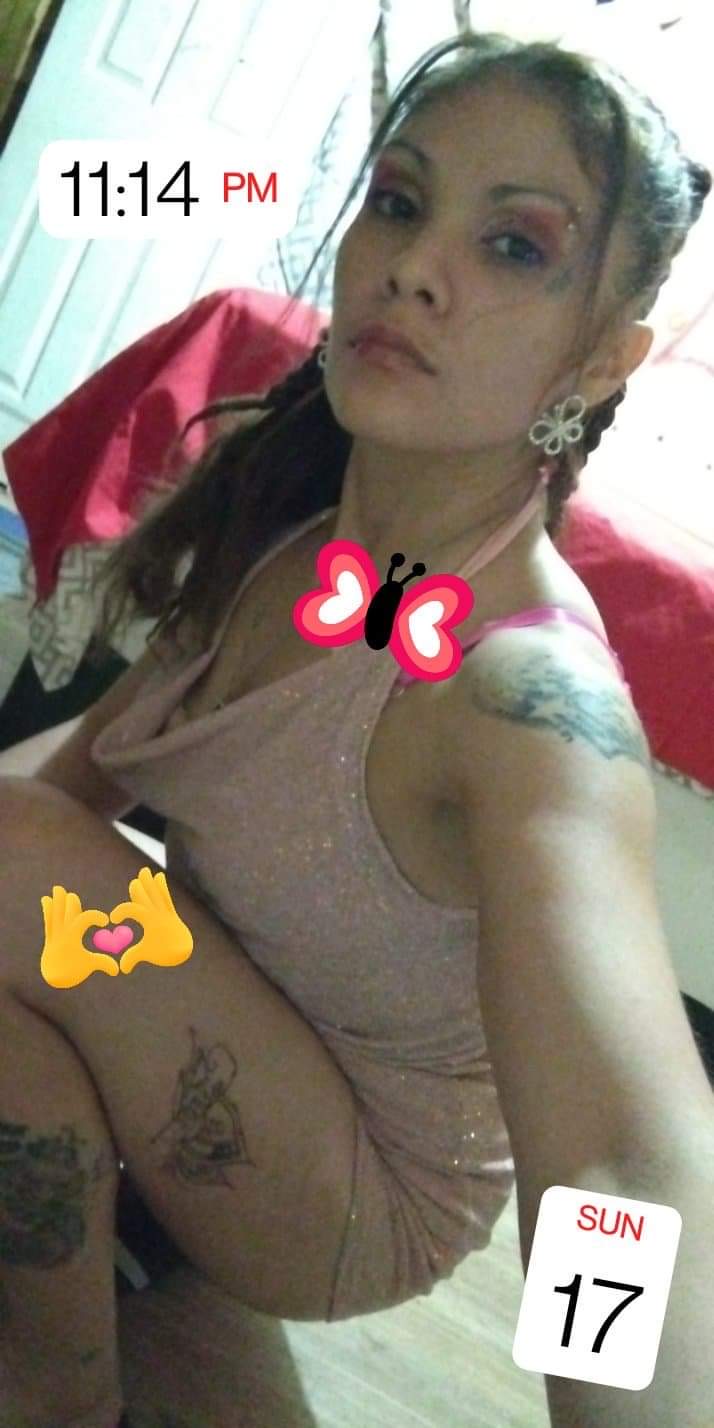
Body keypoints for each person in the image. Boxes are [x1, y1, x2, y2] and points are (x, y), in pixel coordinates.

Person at [0, 30, 711, 1428]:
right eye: (398, 200)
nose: (415, 265)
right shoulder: (289, 529)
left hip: (346, 1197)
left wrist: (618, 1405)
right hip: (221, 1065)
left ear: (598, 358)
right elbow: (74, 789)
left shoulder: (527, 700)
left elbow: (626, 1163)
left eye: (512, 246)